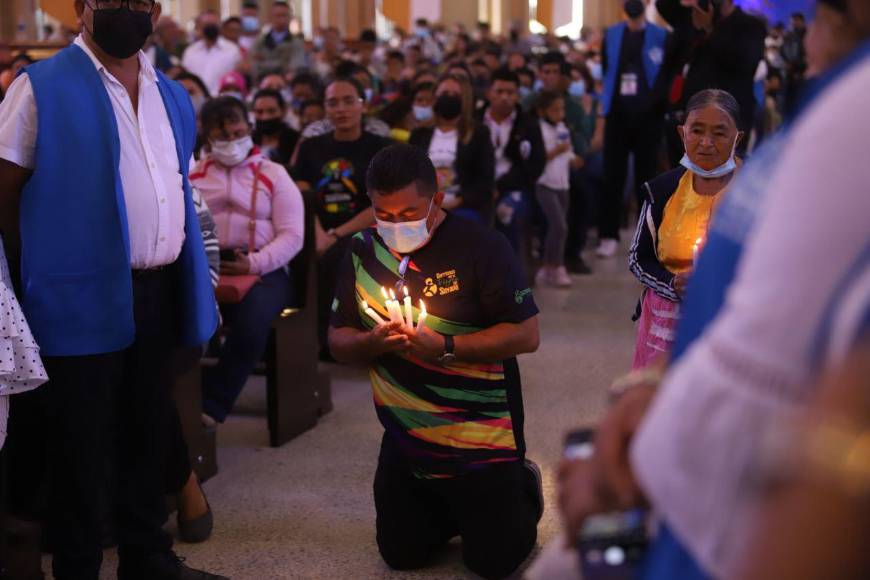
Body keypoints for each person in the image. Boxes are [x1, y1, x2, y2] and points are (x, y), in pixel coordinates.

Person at [557, 6, 870, 578]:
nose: (813, 51)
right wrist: (657, 388)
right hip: (671, 374)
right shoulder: (666, 187)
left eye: (827, 17)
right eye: (695, 131)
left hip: (732, 516)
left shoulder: (844, 127)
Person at [0, 0, 222, 577]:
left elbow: (171, 185)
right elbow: (4, 191)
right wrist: (32, 276)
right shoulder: (39, 87)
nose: (127, 10)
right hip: (76, 294)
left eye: (139, 1)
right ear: (82, 9)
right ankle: (77, 566)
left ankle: (146, 556)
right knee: (82, 444)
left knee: (149, 429)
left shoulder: (172, 93)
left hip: (158, 288)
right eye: (111, 0)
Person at [328, 144, 543, 580]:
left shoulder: (482, 246)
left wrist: (446, 347)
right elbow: (337, 339)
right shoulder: (361, 249)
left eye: (408, 213)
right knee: (401, 555)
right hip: (408, 438)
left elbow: (526, 334)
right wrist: (373, 342)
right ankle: (448, 510)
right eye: (383, 214)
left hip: (480, 434)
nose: (394, 224)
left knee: (493, 563)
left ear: (437, 199)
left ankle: (523, 485)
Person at [191, 96, 305, 424]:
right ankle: (176, 398)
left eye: (237, 132)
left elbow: (293, 235)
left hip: (264, 271)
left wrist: (255, 264)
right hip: (207, 269)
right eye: (222, 136)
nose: (231, 142)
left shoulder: (274, 174)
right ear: (208, 137)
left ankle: (211, 405)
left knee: (252, 324)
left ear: (250, 128)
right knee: (171, 318)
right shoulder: (193, 177)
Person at [629, 89, 742, 369]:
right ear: (682, 133)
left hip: (732, 322)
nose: (706, 142)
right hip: (665, 324)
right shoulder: (662, 191)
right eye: (697, 131)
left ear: (737, 137)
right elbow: (638, 258)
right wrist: (672, 284)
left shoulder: (755, 193)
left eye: (719, 133)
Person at [291, 77, 392, 356]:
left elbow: (382, 203)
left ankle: (337, 340)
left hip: (368, 227)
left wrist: (335, 235)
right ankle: (296, 341)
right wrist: (319, 232)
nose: (341, 109)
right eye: (333, 103)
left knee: (341, 254)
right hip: (315, 226)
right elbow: (300, 195)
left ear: (363, 105)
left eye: (349, 101)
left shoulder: (380, 147)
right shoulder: (311, 147)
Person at [597, 0, 671, 259]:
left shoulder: (661, 35)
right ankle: (608, 235)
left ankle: (646, 238)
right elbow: (608, 69)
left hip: (648, 116)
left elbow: (665, 74)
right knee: (612, 176)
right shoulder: (613, 33)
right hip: (617, 113)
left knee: (646, 177)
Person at [656, 0, 766, 145]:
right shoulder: (694, 17)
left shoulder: (751, 25)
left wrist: (709, 29)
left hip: (727, 121)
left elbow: (745, 63)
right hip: (687, 117)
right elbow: (664, 5)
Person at [409, 74, 495, 224]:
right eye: (443, 94)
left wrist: (453, 203)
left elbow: (484, 180)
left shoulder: (479, 134)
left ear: (465, 99)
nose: (449, 98)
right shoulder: (419, 133)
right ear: (435, 97)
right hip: (423, 207)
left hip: (464, 207)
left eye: (455, 94)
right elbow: (409, 173)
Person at [482, 67, 546, 257]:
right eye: (499, 92)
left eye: (510, 93)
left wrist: (500, 186)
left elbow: (535, 165)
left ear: (517, 95)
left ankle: (511, 274)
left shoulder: (528, 124)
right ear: (489, 93)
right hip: (479, 186)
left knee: (509, 211)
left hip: (513, 188)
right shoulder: (475, 121)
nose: (504, 97)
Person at [535, 90, 583, 288]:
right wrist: (557, 151)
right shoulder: (539, 130)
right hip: (545, 183)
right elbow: (539, 156)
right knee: (559, 225)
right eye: (554, 110)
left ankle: (550, 267)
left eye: (561, 109)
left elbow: (567, 150)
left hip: (563, 183)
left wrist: (573, 159)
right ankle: (554, 266)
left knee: (560, 227)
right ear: (543, 111)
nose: (559, 113)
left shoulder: (563, 127)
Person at [181, 9, 241, 97]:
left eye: (213, 24)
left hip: (222, 100)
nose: (210, 28)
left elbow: (236, 79)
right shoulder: (190, 51)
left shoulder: (232, 50)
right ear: (199, 27)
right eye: (206, 25)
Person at [249, 1, 307, 80]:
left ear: (289, 17)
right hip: (262, 83)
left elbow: (296, 67)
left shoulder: (296, 43)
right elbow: (253, 66)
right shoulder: (260, 42)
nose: (281, 19)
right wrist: (282, 63)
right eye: (278, 15)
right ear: (271, 17)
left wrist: (266, 63)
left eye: (284, 15)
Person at [251, 88, 300, 167]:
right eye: (259, 112)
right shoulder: (248, 141)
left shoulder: (296, 141)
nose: (265, 117)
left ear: (283, 111)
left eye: (271, 111)